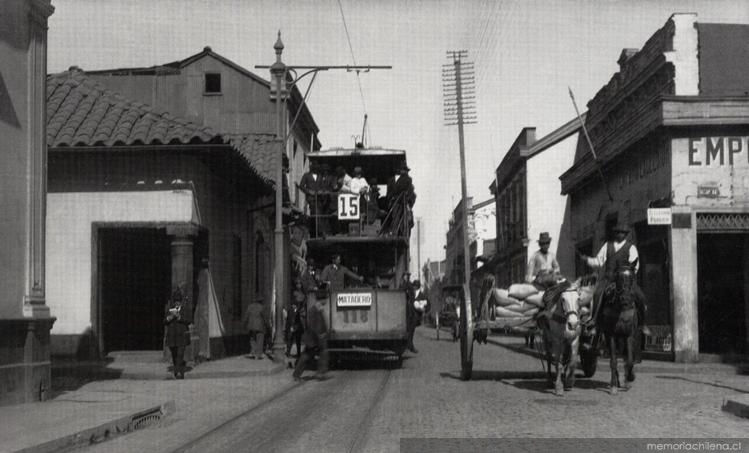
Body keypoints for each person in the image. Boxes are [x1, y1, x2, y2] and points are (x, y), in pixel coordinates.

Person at [580, 222, 649, 336]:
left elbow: (635, 266)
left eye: (622, 233)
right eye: (618, 232)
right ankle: (595, 322)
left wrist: (627, 276)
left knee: (641, 297)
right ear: (615, 234)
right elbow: (598, 262)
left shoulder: (631, 248)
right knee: (597, 294)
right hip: (609, 280)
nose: (620, 235)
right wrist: (587, 259)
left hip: (626, 280)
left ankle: (643, 324)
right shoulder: (607, 245)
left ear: (626, 234)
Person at [292, 292, 329, 381]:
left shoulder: (318, 309)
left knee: (317, 354)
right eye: (325, 299)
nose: (326, 301)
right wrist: (319, 335)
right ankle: (298, 374)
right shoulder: (314, 310)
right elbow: (313, 325)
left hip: (316, 337)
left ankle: (320, 373)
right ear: (321, 300)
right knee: (307, 355)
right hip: (314, 337)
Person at [164, 287, 192, 379]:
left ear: (181, 301)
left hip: (182, 335)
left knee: (180, 354)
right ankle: (177, 370)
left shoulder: (185, 309)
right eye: (176, 301)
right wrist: (170, 318)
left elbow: (189, 320)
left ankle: (178, 372)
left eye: (178, 301)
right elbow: (164, 321)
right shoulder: (169, 309)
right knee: (174, 354)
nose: (177, 303)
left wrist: (180, 318)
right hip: (172, 336)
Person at [299, 163, 328, 236]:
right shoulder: (306, 175)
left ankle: (315, 232)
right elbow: (301, 186)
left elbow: (323, 186)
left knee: (319, 214)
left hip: (319, 199)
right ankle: (321, 232)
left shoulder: (320, 176)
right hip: (311, 199)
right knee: (316, 213)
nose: (315, 170)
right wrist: (308, 191)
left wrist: (322, 191)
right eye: (314, 168)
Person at [286, 279, 306, 360]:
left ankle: (298, 353)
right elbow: (290, 317)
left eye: (300, 284)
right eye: (297, 284)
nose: (299, 285)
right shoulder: (294, 294)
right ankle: (288, 352)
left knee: (298, 339)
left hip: (298, 323)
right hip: (293, 323)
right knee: (290, 338)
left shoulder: (303, 294)